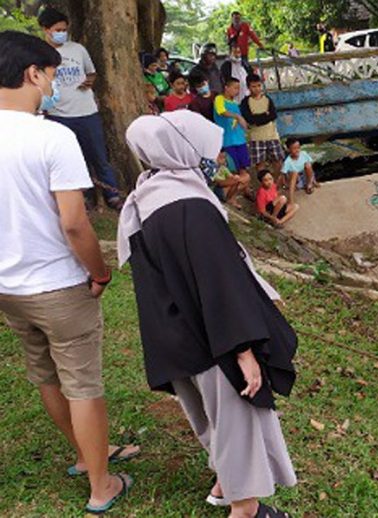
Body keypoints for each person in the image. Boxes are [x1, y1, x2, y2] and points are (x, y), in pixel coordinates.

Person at [117, 110, 296, 518]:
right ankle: (245, 509)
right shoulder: (190, 207)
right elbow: (218, 283)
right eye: (208, 152)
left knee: (208, 418)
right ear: (184, 150)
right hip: (210, 338)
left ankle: (222, 482)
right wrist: (243, 350)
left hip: (174, 333)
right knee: (237, 422)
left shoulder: (148, 195)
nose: (215, 160)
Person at [0, 30, 140, 515]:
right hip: (59, 285)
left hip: (9, 289)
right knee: (82, 384)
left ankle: (85, 456)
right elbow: (74, 222)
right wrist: (99, 272)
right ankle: (102, 485)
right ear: (32, 74)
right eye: (53, 75)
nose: (54, 85)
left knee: (45, 374)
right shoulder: (53, 136)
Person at [38, 7, 123, 210]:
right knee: (71, 159)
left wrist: (88, 82)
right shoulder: (39, 54)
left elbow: (91, 73)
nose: (62, 33)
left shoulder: (77, 49)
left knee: (99, 156)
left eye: (64, 29)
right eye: (58, 29)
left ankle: (113, 194)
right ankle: (83, 197)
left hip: (87, 112)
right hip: (58, 115)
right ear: (45, 29)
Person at [240, 74, 283, 176]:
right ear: (248, 87)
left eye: (259, 85)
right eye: (254, 86)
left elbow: (273, 115)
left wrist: (258, 118)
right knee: (260, 164)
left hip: (272, 136)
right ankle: (264, 186)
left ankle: (277, 184)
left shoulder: (267, 99)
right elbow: (249, 119)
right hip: (256, 138)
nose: (257, 89)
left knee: (278, 161)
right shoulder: (245, 102)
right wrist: (265, 115)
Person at [214, 77, 251, 181]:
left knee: (243, 166)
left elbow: (241, 122)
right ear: (226, 88)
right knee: (232, 168)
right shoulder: (219, 99)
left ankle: (245, 188)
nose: (237, 91)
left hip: (240, 139)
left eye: (238, 88)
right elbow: (222, 112)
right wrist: (237, 116)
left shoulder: (235, 103)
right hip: (227, 141)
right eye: (235, 88)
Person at [281, 137, 318, 202]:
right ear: (289, 149)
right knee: (294, 173)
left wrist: (313, 181)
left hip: (306, 176)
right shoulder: (287, 162)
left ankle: (309, 184)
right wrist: (285, 185)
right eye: (294, 148)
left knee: (308, 165)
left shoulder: (303, 153)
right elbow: (283, 174)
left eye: (298, 147)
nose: (297, 150)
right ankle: (292, 198)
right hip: (296, 180)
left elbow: (311, 169)